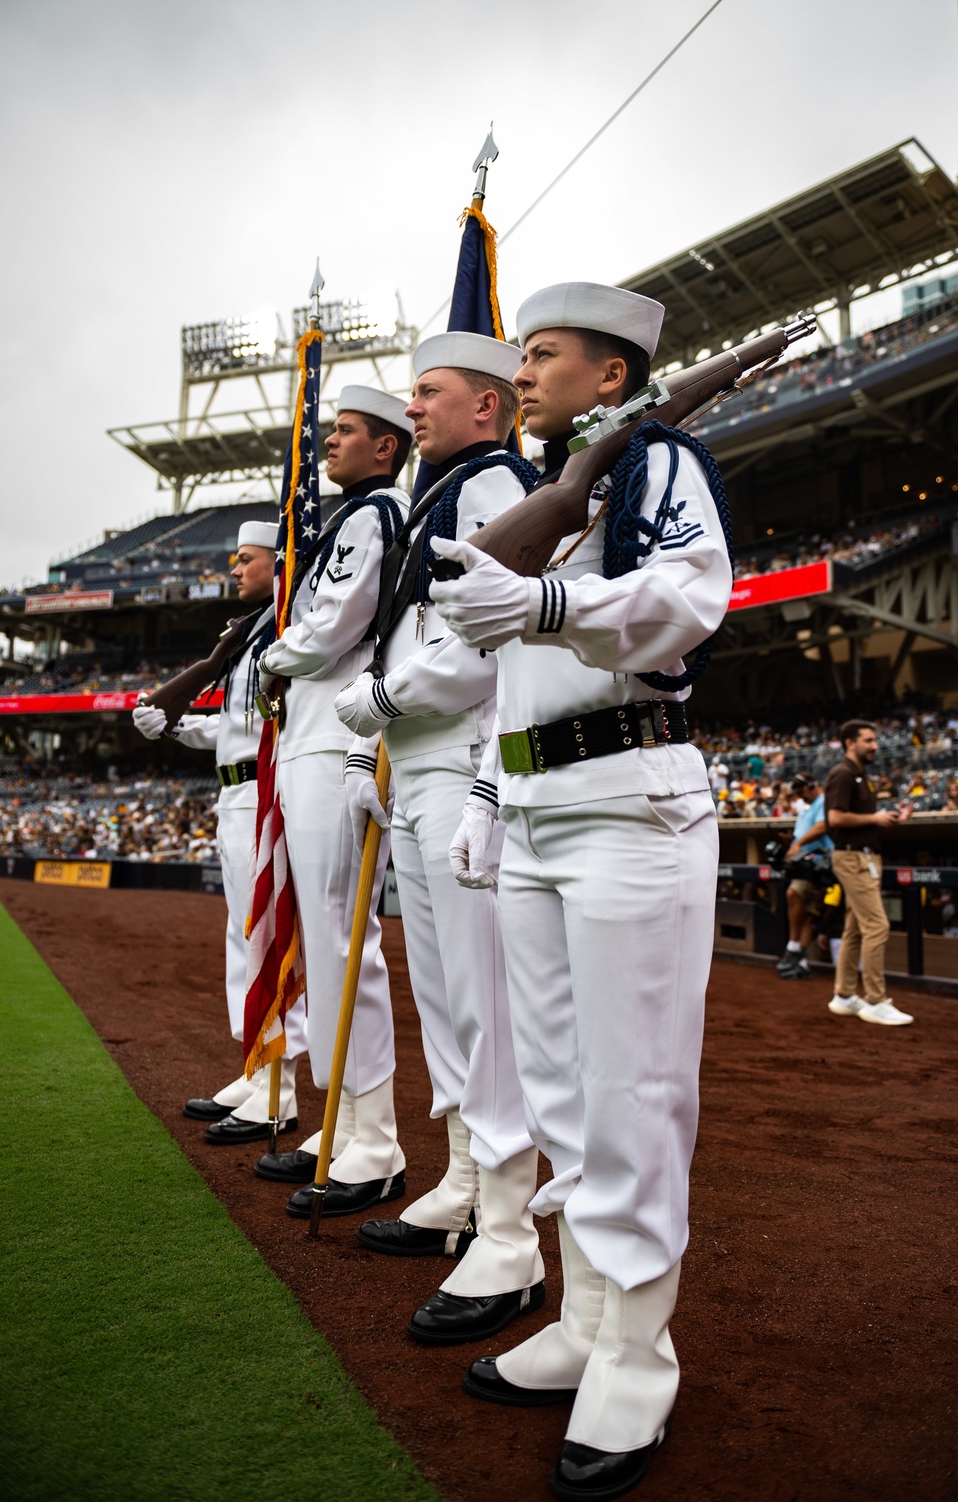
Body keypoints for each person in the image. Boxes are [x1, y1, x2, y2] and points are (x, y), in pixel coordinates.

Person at [430, 282, 732, 1499]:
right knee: (558, 1087)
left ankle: (637, 1356)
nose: (527, 369)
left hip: (628, 799)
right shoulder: (558, 480)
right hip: (543, 801)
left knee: (632, 1090)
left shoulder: (656, 459)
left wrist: (549, 601)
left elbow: (689, 605)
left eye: (545, 354)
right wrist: (493, 798)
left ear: (611, 374)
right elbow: (512, 683)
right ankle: (589, 1315)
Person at [334, 331, 545, 1346]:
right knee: (447, 993)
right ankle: (465, 1177)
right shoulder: (443, 487)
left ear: (486, 408)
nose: (411, 407)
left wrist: (379, 697)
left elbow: (475, 639)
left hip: (459, 749)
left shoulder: (490, 485)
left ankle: (509, 1229)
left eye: (429, 392)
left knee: (481, 994)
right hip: (418, 757)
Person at [256, 386, 414, 1216]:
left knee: (349, 941)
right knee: (326, 939)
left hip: (336, 737)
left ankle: (376, 1136)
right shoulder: (349, 520)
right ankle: (345, 1119)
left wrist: (273, 657)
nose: (330, 443)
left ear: (386, 447)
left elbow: (328, 632)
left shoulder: (370, 518)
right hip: (312, 739)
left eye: (345, 432)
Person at [132, 521, 307, 1141]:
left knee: (265, 934)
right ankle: (255, 1069)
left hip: (261, 793)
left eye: (246, 559)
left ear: (278, 566)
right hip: (232, 792)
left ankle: (279, 1089)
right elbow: (233, 729)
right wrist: (176, 727)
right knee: (242, 938)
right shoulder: (244, 636)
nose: (234, 568)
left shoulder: (281, 630)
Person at [825, 719, 914, 1026]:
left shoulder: (861, 775)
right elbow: (835, 818)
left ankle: (845, 995)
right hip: (853, 859)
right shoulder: (844, 773)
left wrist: (889, 818)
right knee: (877, 925)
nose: (875, 745)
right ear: (850, 742)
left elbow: (864, 819)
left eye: (875, 740)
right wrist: (875, 818)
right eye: (868, 740)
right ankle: (875, 1000)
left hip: (863, 858)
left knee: (856, 928)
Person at [776, 772, 833, 980]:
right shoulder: (806, 807)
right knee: (807, 915)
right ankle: (801, 963)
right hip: (804, 864)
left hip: (819, 864)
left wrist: (798, 844)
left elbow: (821, 826)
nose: (801, 796)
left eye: (802, 792)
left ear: (812, 785)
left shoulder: (823, 801)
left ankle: (793, 947)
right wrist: (791, 840)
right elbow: (803, 833)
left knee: (794, 893)